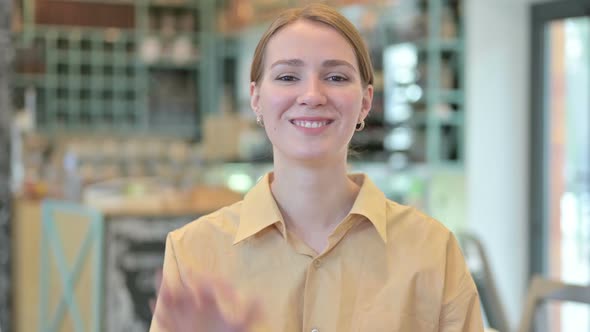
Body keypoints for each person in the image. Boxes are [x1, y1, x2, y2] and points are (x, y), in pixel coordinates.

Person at [150, 3, 484, 332]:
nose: (312, 95)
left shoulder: (433, 250)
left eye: (336, 77)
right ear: (256, 98)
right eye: (287, 76)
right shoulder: (193, 253)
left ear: (365, 101)